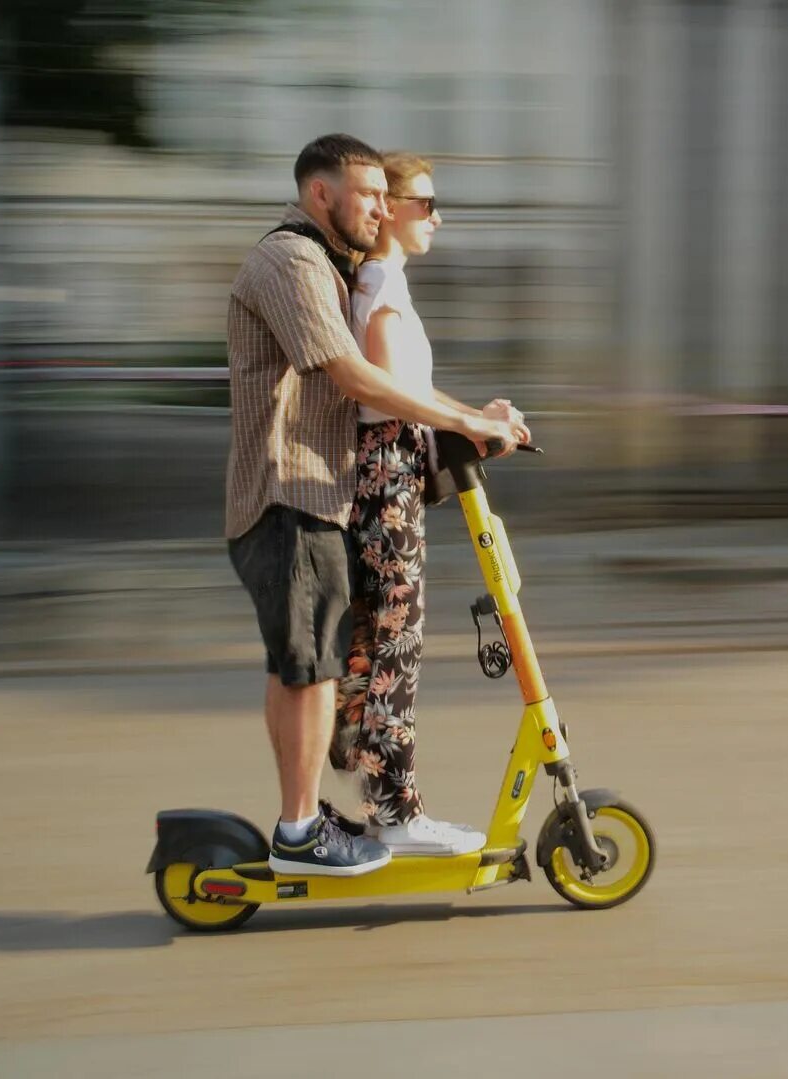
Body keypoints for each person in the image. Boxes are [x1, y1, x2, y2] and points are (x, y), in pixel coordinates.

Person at [224, 134, 530, 877]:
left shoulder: (331, 265)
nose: (383, 208)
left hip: (316, 492)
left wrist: (469, 419)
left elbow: (392, 386)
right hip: (285, 490)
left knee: (330, 658)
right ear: (321, 192)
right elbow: (359, 380)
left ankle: (342, 808)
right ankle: (301, 831)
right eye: (371, 195)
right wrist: (467, 422)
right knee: (312, 662)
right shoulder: (291, 260)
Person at [330, 151, 519, 855]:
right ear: (392, 210)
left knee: (391, 642)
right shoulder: (377, 283)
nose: (437, 217)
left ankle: (383, 790)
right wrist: (470, 423)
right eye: (427, 204)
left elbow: (415, 395)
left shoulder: (390, 285)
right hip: (384, 479)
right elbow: (382, 395)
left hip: (396, 473)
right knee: (394, 646)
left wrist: (482, 417)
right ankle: (396, 811)